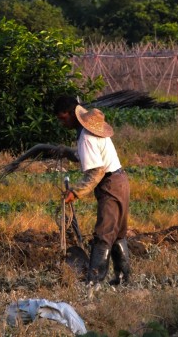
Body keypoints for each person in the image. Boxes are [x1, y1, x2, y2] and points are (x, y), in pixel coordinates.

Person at [53, 95, 131, 285]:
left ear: (72, 114)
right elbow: (85, 156)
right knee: (117, 234)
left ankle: (93, 283)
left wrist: (75, 192)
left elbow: (96, 171)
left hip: (110, 184)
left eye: (63, 118)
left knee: (103, 236)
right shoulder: (88, 132)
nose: (62, 123)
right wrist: (67, 152)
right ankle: (122, 279)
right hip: (120, 181)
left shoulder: (86, 137)